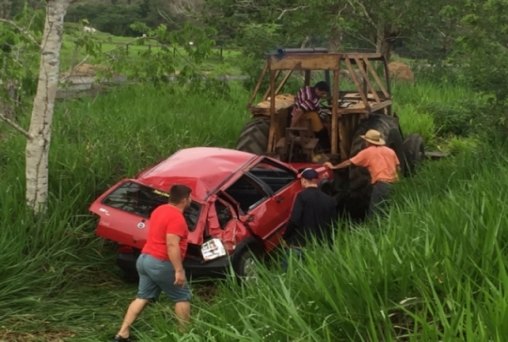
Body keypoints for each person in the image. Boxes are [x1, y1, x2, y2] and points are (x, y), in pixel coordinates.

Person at [113, 184, 193, 342]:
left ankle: (122, 334)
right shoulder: (177, 218)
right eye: (190, 197)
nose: (191, 200)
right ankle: (185, 336)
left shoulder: (159, 210)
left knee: (143, 297)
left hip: (144, 259)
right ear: (185, 199)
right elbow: (171, 244)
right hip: (161, 262)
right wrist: (178, 270)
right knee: (182, 297)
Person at [324, 129, 400, 217]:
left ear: (367, 142)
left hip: (381, 185)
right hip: (395, 184)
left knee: (375, 212)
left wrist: (334, 167)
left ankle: (376, 229)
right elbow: (398, 167)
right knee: (389, 210)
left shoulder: (368, 152)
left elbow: (349, 162)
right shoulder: (390, 151)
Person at [283, 168, 337, 247]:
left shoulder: (302, 196)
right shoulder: (329, 200)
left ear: (304, 181)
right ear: (316, 181)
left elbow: (294, 220)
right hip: (323, 244)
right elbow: (333, 224)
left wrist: (286, 237)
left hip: (303, 242)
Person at [290, 81, 331, 150]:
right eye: (322, 93)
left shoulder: (308, 89)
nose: (323, 95)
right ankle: (325, 148)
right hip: (303, 116)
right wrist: (291, 128)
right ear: (317, 89)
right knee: (323, 131)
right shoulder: (311, 100)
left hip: (303, 110)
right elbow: (299, 111)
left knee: (325, 120)